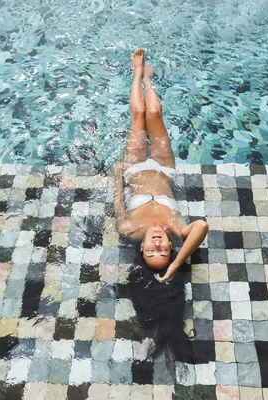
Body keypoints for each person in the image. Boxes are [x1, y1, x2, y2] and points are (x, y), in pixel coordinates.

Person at [114, 49, 209, 283]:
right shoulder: (177, 229)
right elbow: (202, 226)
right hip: (163, 167)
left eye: (151, 251)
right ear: (170, 245)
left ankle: (137, 73)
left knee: (138, 113)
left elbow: (117, 199)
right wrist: (176, 264)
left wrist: (117, 174)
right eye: (163, 250)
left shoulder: (128, 229)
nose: (157, 244)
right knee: (154, 112)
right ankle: (148, 80)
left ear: (142, 247)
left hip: (134, 167)